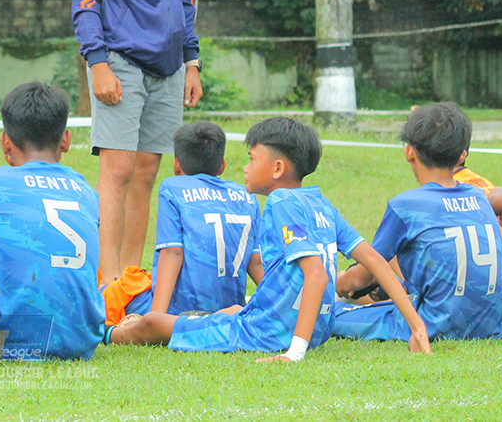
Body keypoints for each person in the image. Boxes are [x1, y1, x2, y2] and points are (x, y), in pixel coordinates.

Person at [107, 117, 430, 362]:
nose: (245, 168)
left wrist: (295, 353)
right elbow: (374, 260)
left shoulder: (281, 201)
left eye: (251, 159)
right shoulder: (321, 205)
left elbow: (316, 274)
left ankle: (106, 332)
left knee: (153, 322)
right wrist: (416, 326)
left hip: (265, 332)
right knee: (235, 308)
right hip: (315, 328)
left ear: (277, 168)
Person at [72, 0, 203, 284]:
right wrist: (97, 62)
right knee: (118, 169)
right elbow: (85, 0)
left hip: (169, 66)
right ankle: (106, 281)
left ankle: (129, 279)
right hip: (119, 60)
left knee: (147, 172)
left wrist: (192, 62)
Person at [335, 103, 502, 341]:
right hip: (496, 323)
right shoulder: (479, 197)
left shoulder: (406, 205)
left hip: (436, 324)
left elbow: (363, 276)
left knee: (331, 314)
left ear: (409, 152)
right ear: (462, 154)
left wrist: (341, 282)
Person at [0, 82, 103, 360]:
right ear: (66, 140)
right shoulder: (86, 191)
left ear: (5, 142)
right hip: (82, 340)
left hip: (11, 341)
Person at [151, 122, 264, 315]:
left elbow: (172, 252)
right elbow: (256, 261)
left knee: (122, 293)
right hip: (230, 314)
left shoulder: (172, 188)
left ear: (176, 165)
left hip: (182, 315)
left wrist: (156, 317)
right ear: (222, 166)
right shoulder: (247, 197)